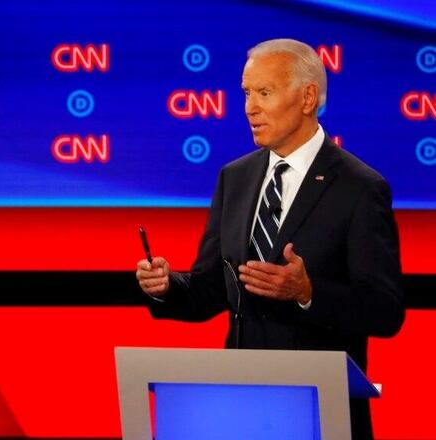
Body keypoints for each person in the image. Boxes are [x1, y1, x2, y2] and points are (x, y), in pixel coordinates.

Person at [135, 38, 404, 439]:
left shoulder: (360, 188)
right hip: (243, 407)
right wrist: (167, 287)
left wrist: (307, 292)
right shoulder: (235, 177)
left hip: (320, 413)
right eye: (246, 92)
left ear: (307, 97)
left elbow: (385, 311)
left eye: (264, 92)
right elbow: (213, 288)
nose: (249, 107)